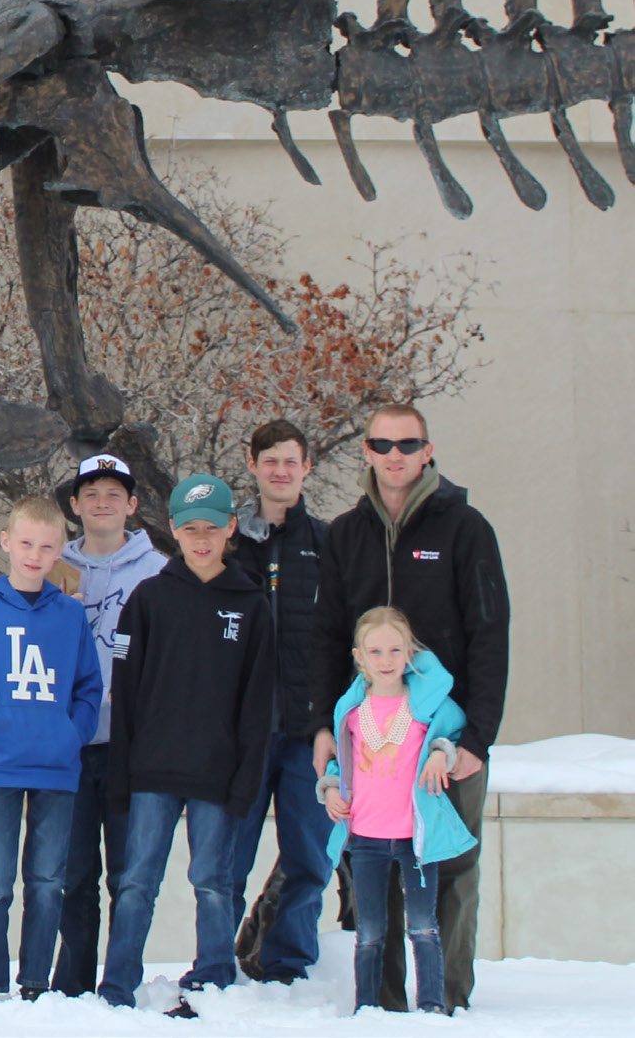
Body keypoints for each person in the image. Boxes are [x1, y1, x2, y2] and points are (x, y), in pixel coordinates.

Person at [309, 402, 508, 1013]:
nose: (395, 456)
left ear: (428, 451)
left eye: (408, 444)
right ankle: (384, 1004)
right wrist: (322, 724)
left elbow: (490, 631)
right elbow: (323, 633)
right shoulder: (344, 533)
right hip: (369, 735)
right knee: (374, 863)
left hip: (444, 735)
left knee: (449, 863)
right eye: (382, 445)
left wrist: (477, 737)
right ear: (366, 451)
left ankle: (445, 999)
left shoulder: (465, 527)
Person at [97, 474, 274, 1016]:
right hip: (152, 769)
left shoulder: (250, 603)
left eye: (212, 529)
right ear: (173, 528)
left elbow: (257, 704)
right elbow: (124, 694)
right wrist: (121, 770)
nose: (201, 539)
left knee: (213, 882)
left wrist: (246, 780)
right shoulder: (150, 598)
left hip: (216, 775)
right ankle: (118, 985)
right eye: (191, 528)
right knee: (135, 882)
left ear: (231, 530)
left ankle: (216, 977)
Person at [0, 496, 101, 1012]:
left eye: (48, 546)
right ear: (7, 543)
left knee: (47, 880)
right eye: (27, 543)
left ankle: (36, 982)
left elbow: (87, 687)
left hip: (57, 766)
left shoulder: (69, 615)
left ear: (61, 550)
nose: (36, 555)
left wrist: (69, 733)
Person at [319, 606, 475, 1014]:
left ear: (410, 654)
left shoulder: (426, 705)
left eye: (394, 650)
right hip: (366, 837)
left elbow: (454, 737)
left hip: (415, 839)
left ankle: (430, 1009)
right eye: (375, 652)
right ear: (359, 657)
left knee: (423, 927)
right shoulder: (350, 712)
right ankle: (366, 1009)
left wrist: (442, 754)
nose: (385, 660)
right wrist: (331, 788)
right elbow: (341, 764)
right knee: (369, 932)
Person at [222, 421, 334, 985]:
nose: (281, 471)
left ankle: (288, 964)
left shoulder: (327, 542)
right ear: (253, 463)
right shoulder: (228, 543)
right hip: (243, 732)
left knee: (308, 858)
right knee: (228, 860)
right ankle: (218, 961)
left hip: (309, 732)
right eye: (271, 461)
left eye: (292, 462)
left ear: (306, 467)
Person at [51, 455, 166, 995]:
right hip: (70, 744)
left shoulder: (159, 570)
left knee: (127, 875)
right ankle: (72, 987)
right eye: (91, 492)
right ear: (74, 505)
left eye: (114, 494)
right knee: (73, 877)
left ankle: (120, 984)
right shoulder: (54, 567)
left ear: (132, 505)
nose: (103, 502)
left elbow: (172, 655)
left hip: (131, 744)